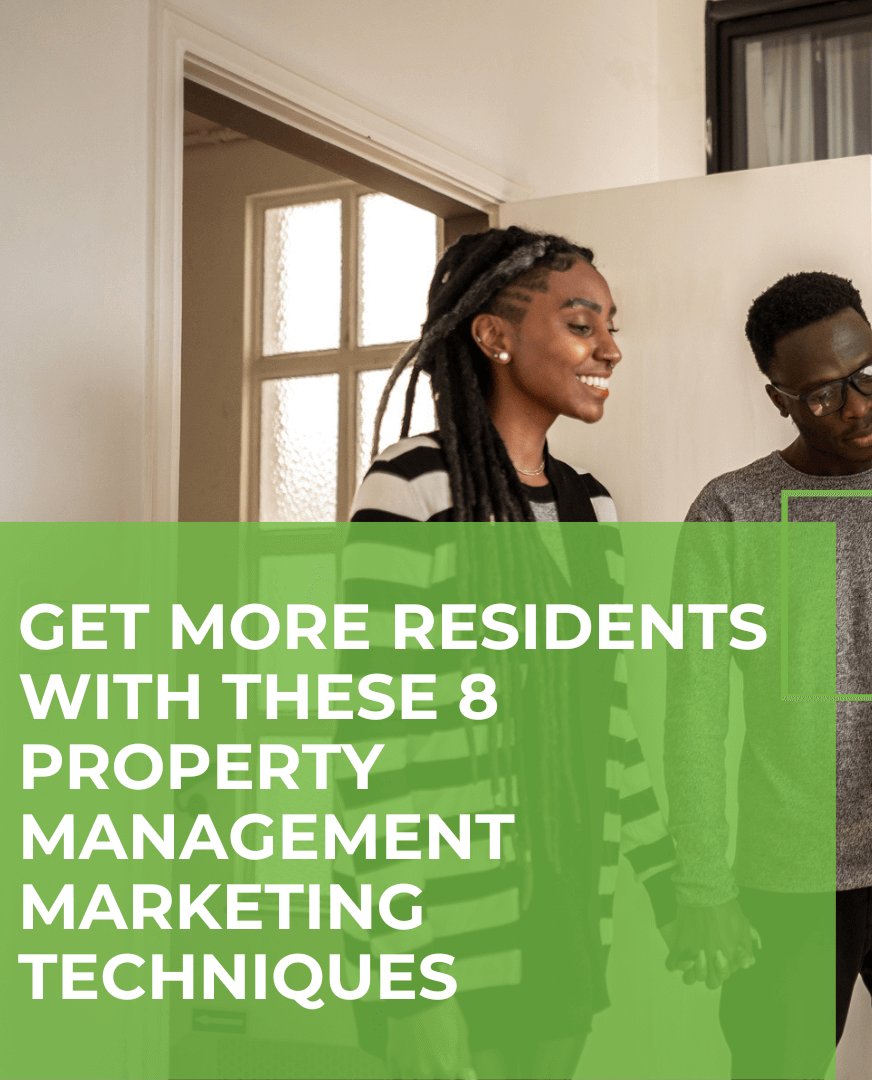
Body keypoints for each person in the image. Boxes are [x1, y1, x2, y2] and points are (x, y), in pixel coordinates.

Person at [343, 226, 681, 1080]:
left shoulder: (590, 507)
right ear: (493, 337)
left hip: (566, 912)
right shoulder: (413, 485)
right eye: (580, 323)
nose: (609, 347)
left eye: (611, 323)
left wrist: (667, 883)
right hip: (442, 936)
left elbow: (605, 718)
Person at [668, 271, 872, 1079]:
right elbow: (694, 715)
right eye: (822, 394)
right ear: (778, 397)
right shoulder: (732, 511)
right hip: (781, 882)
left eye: (870, 373)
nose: (857, 405)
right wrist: (704, 885)